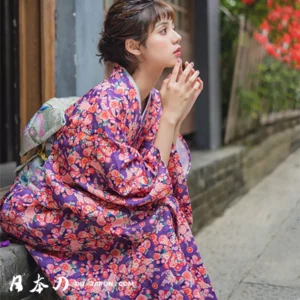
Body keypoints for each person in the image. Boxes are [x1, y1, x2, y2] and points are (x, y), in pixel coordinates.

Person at [0, 0, 218, 299]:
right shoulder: (107, 103)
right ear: (134, 46)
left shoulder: (151, 100)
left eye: (174, 28)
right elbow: (140, 189)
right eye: (164, 30)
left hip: (96, 205)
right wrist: (171, 117)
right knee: (153, 223)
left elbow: (160, 184)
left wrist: (174, 116)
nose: (177, 37)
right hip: (48, 210)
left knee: (165, 213)